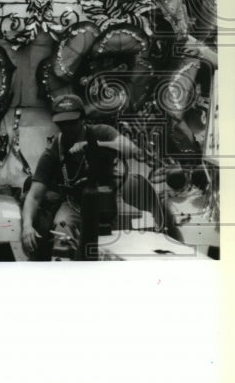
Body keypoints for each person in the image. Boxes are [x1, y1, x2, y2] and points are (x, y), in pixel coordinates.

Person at [20, 95, 143, 260]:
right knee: (61, 230)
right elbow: (34, 196)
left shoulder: (102, 132)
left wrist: (93, 145)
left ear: (82, 119)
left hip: (110, 200)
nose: (68, 127)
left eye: (72, 122)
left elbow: (133, 150)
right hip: (74, 204)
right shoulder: (54, 150)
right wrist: (27, 226)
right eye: (62, 123)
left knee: (133, 229)